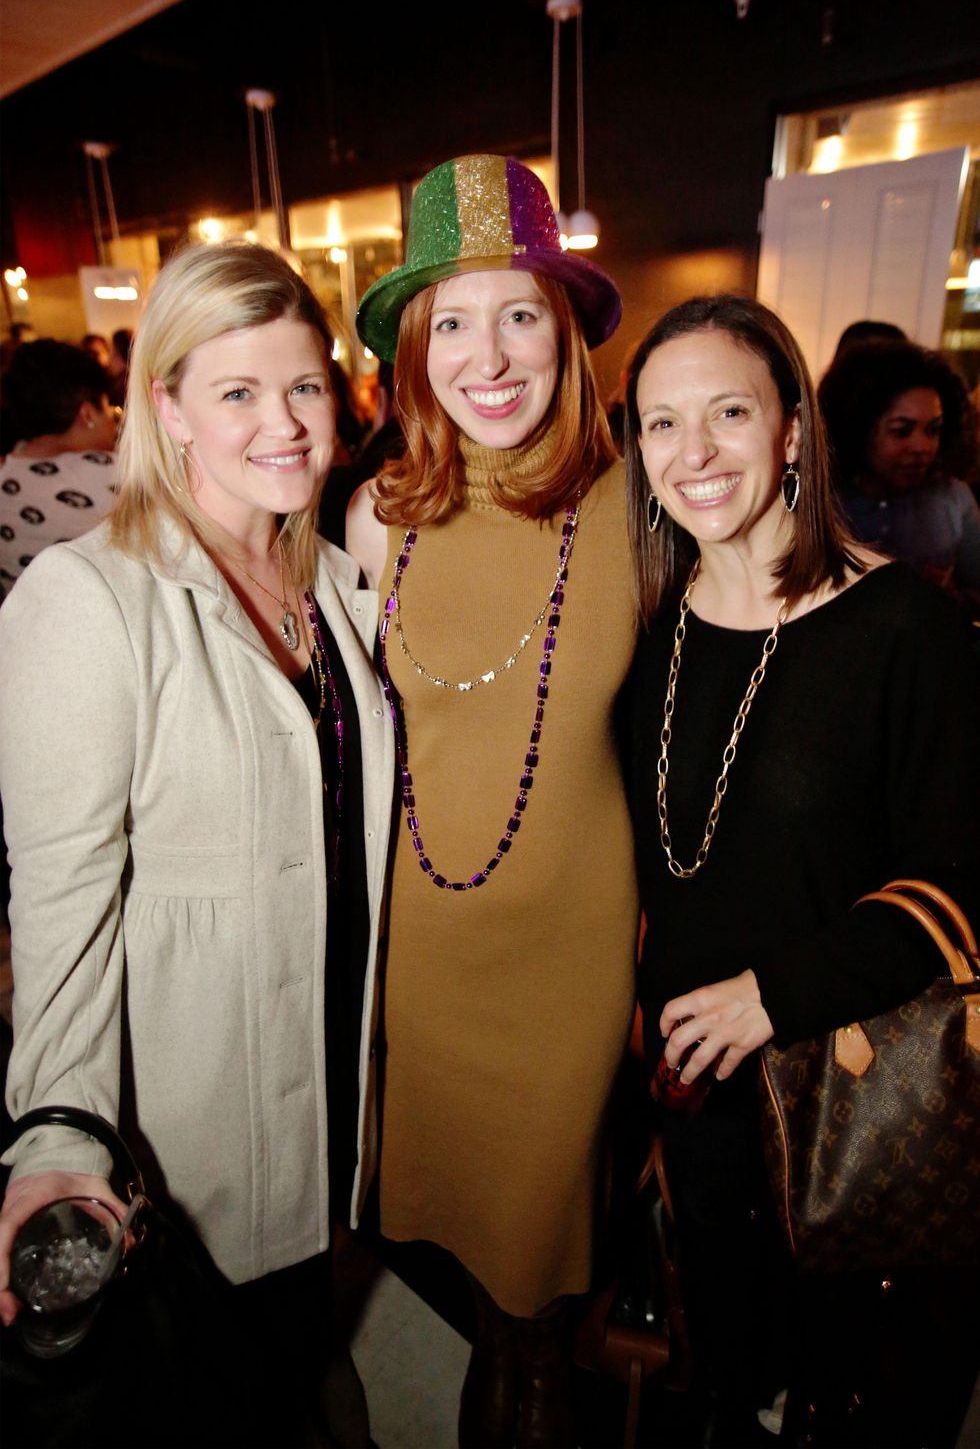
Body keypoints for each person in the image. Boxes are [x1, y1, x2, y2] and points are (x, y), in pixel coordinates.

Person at [0, 242, 394, 1447]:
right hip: (196, 1114)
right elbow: (61, 900)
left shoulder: (336, 581)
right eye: (236, 393)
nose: (283, 424)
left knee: (294, 1365)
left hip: (331, 1080)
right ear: (164, 407)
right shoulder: (88, 599)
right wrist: (58, 1135)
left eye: (306, 387)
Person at [623, 294, 980, 1447]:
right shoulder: (646, 623)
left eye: (727, 412)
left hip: (850, 1094)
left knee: (853, 1396)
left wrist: (771, 994)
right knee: (724, 1375)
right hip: (692, 1098)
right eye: (660, 423)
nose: (693, 454)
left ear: (789, 429)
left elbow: (963, 880)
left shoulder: (899, 630)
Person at [347, 154, 638, 1449]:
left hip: (572, 967)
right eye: (450, 322)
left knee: (539, 1299)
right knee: (470, 1273)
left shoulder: (642, 511)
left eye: (521, 311)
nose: (490, 353)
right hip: (424, 959)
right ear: (414, 354)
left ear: (565, 333)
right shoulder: (370, 518)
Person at [819, 339, 980, 611]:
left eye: (933, 430)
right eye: (902, 431)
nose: (922, 447)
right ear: (858, 429)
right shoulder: (822, 501)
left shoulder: (953, 500)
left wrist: (953, 598)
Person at [0, 338, 119, 593]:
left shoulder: (7, 474)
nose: (113, 422)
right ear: (87, 414)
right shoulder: (110, 474)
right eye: (108, 409)